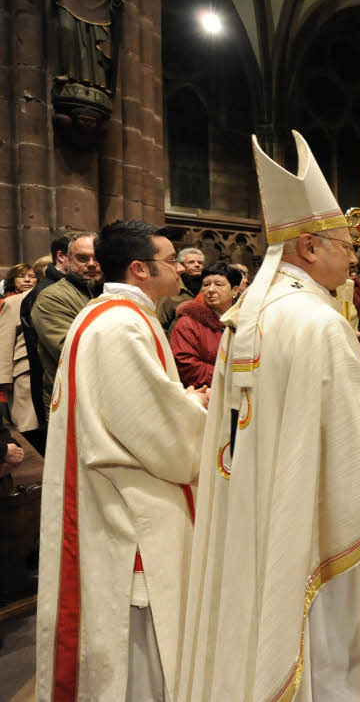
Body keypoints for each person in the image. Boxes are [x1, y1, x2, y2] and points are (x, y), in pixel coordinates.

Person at [179, 132, 360, 701]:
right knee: (325, 646)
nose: (353, 255)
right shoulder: (317, 322)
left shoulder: (251, 313)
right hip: (308, 515)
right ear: (308, 247)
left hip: (252, 498)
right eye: (344, 244)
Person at [35, 220, 208, 702]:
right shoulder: (121, 325)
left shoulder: (114, 315)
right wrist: (198, 412)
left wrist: (182, 404)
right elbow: (157, 436)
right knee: (137, 658)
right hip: (126, 508)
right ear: (139, 268)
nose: (179, 269)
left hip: (119, 495)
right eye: (172, 260)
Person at [31, 232, 102, 416]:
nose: (92, 263)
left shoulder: (106, 290)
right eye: (83, 258)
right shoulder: (52, 297)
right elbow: (71, 352)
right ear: (68, 260)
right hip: (71, 402)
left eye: (98, 257)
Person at [20, 235, 72, 442]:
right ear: (61, 256)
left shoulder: (77, 288)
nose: (94, 264)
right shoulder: (46, 293)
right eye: (83, 258)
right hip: (55, 384)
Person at [170, 263, 242, 388]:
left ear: (235, 290)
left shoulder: (246, 320)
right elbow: (186, 365)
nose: (211, 290)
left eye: (218, 285)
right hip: (206, 394)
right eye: (206, 285)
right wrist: (231, 378)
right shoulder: (188, 322)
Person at [0, 270, 42, 447]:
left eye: (32, 276)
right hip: (24, 370)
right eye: (22, 276)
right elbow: (5, 340)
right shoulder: (12, 302)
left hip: (45, 370)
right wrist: (4, 378)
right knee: (27, 425)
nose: (27, 280)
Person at [157, 247, 205, 331]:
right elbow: (161, 324)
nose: (197, 265)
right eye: (191, 262)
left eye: (200, 262)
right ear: (181, 265)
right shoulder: (171, 291)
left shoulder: (208, 289)